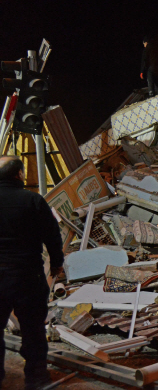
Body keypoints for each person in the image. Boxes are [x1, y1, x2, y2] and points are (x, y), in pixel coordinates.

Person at [0, 156, 64, 390]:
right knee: (33, 329)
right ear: (18, 175)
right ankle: (36, 378)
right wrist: (57, 262)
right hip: (27, 276)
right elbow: (52, 236)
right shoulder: (32, 200)